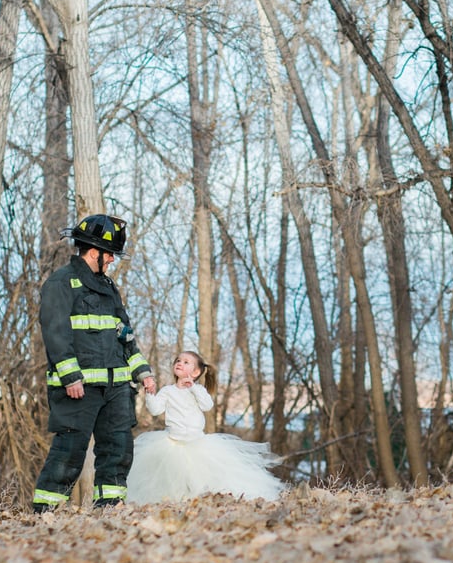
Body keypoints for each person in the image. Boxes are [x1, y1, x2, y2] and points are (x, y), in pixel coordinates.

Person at [32, 214, 157, 512]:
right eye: (110, 254)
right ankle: (44, 514)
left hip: (116, 389)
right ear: (94, 252)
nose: (112, 260)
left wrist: (141, 371)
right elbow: (55, 333)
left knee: (118, 449)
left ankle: (110, 508)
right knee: (69, 452)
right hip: (80, 388)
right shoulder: (61, 283)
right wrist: (70, 376)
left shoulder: (109, 288)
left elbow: (124, 334)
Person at [126, 351, 286, 504]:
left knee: (201, 476)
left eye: (186, 362)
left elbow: (207, 405)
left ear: (195, 372)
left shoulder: (198, 390)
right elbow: (156, 409)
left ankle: (202, 498)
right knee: (172, 476)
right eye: (178, 361)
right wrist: (150, 394)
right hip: (172, 442)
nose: (179, 363)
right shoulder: (168, 391)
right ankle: (175, 499)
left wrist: (194, 388)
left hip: (198, 443)